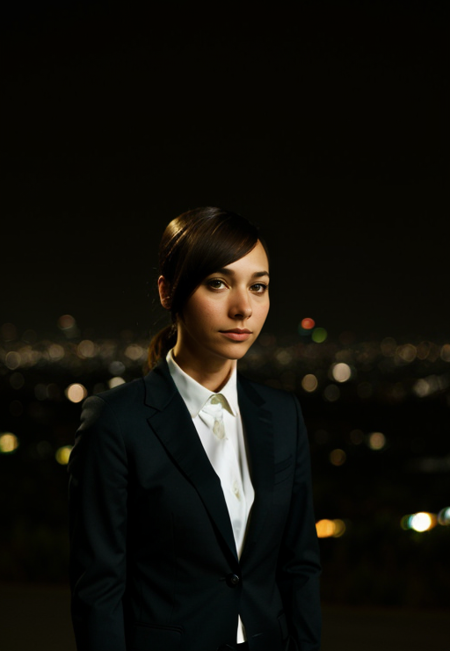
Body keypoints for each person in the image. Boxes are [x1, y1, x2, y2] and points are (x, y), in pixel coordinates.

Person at [68, 206, 321, 651]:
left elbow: (299, 566)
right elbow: (99, 591)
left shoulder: (283, 415)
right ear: (168, 291)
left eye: (258, 287)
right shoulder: (116, 421)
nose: (243, 308)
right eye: (218, 283)